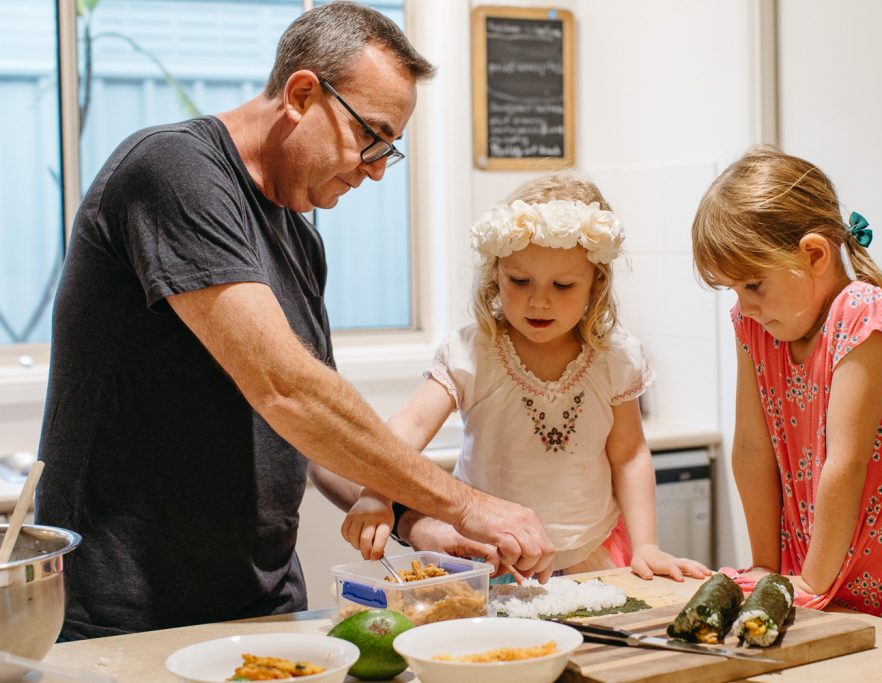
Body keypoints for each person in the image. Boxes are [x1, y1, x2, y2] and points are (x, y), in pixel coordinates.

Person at [35, 1, 553, 641]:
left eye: (389, 150)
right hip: (128, 610)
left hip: (262, 601)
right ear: (302, 93)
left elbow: (314, 436)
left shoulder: (299, 239)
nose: (373, 170)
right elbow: (288, 389)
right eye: (371, 136)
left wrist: (419, 522)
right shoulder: (175, 172)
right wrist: (469, 504)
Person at [339, 173, 713, 582]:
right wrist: (377, 493)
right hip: (490, 561)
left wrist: (647, 546)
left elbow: (630, 455)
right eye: (520, 281)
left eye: (563, 285)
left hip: (592, 553)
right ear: (496, 273)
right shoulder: (473, 353)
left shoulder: (615, 357)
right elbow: (409, 426)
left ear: (596, 284)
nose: (539, 300)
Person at [691, 145, 882, 636]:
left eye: (753, 284)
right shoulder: (753, 327)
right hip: (808, 557)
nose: (744, 305)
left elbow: (846, 460)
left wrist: (813, 579)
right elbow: (752, 447)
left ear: (813, 254)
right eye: (733, 291)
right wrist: (765, 564)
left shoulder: (860, 313)